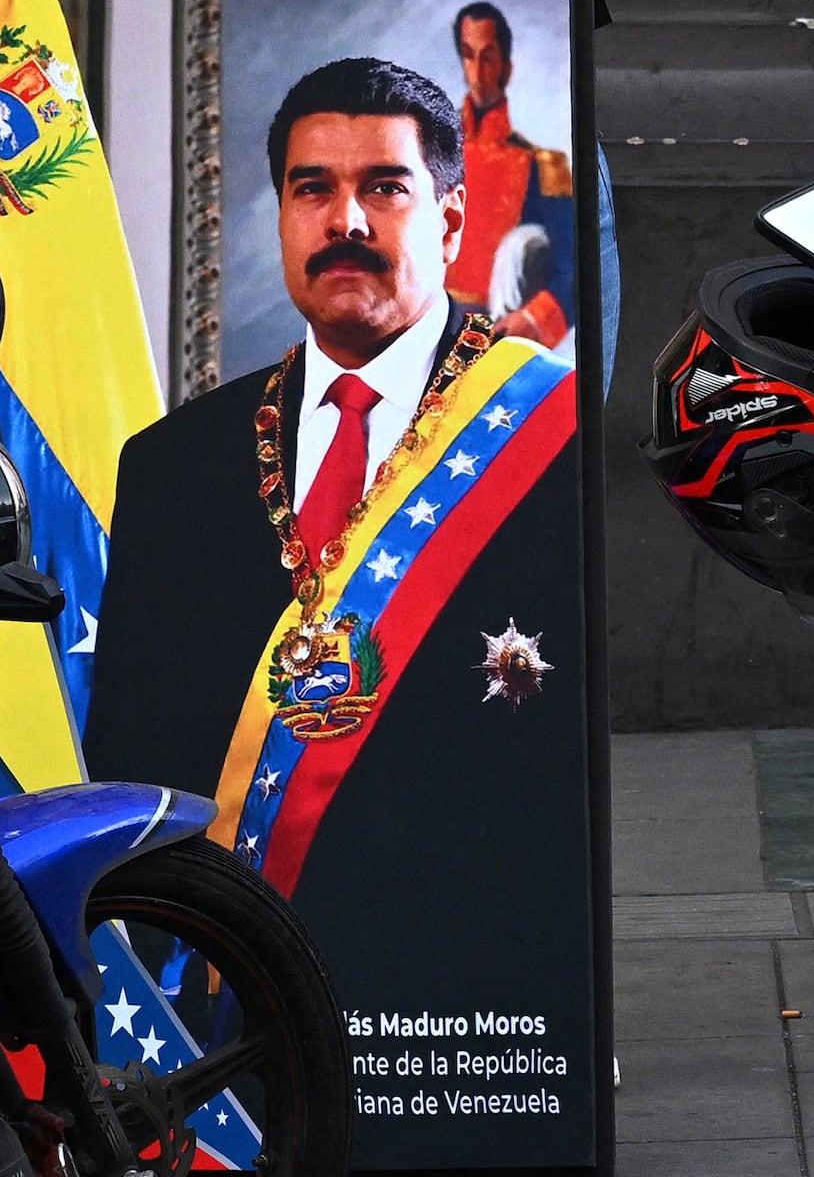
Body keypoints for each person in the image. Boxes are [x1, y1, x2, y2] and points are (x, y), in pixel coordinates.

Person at [85, 61, 586, 1122]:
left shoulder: (548, 446)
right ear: (280, 216)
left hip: (466, 1034)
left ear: (451, 219)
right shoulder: (169, 465)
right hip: (222, 1031)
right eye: (312, 189)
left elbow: (552, 777)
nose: (344, 219)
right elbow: (129, 756)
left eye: (384, 188)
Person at [446, 0, 574, 348]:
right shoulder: (427, 152)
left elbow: (574, 270)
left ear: (507, 67)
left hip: (498, 340)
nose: (476, 74)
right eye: (468, 56)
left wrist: (532, 319)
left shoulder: (542, 167)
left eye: (487, 58)